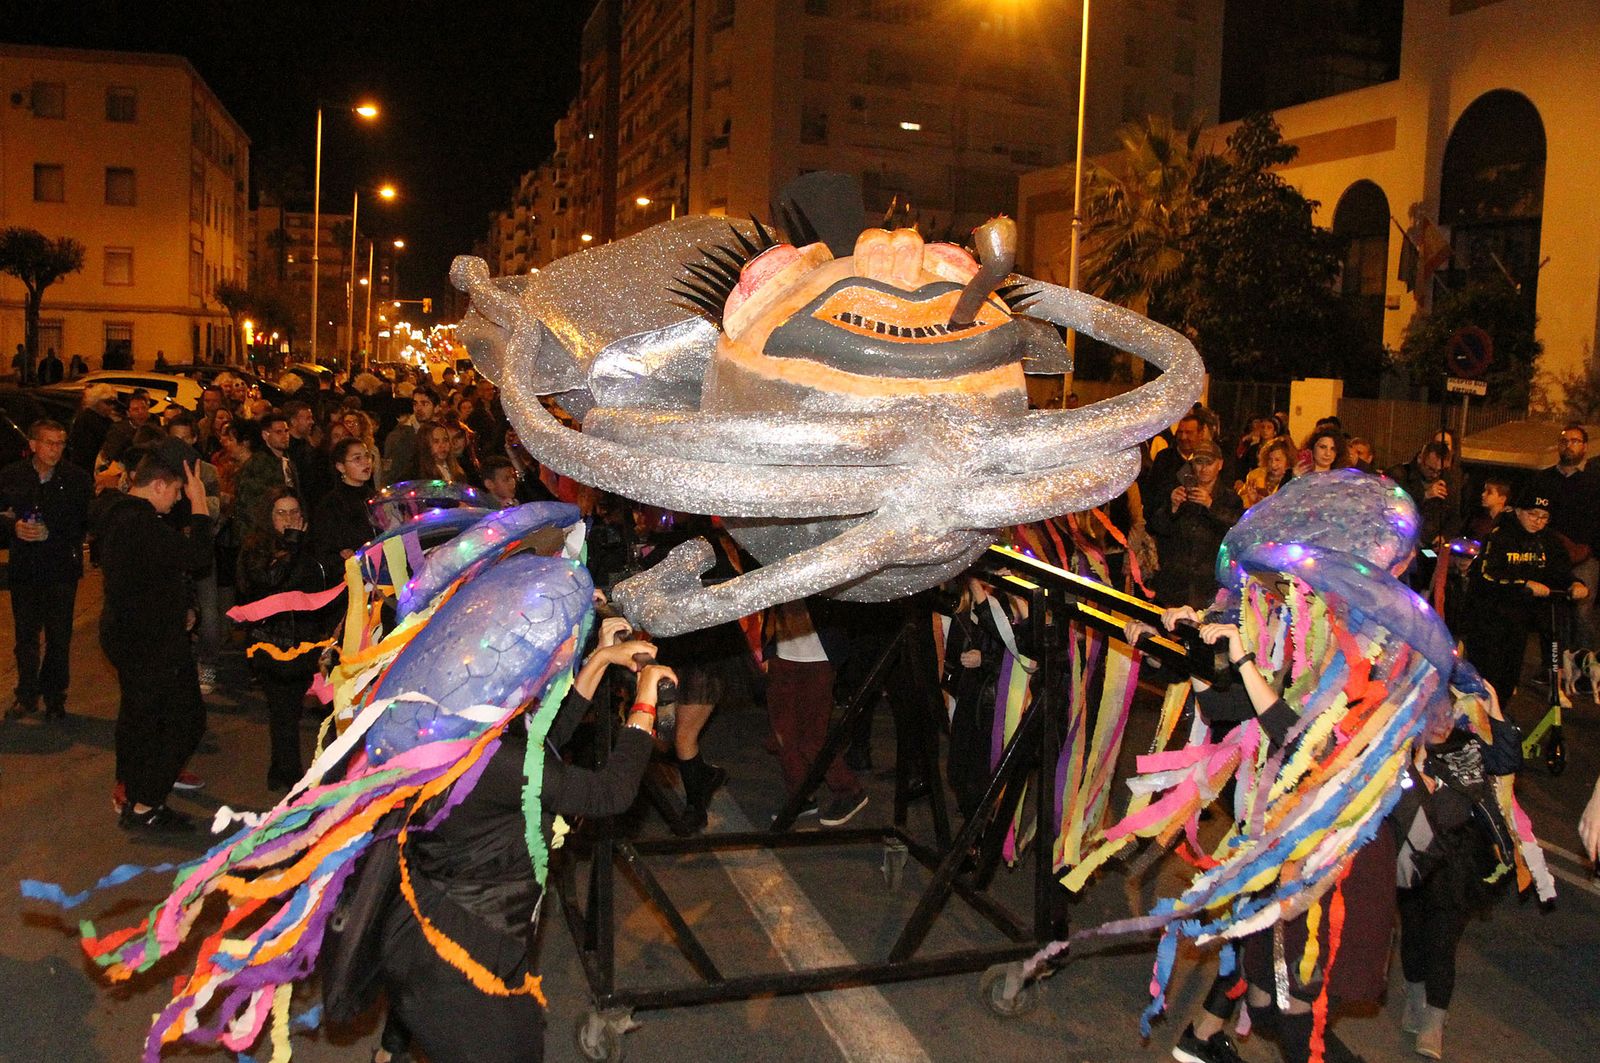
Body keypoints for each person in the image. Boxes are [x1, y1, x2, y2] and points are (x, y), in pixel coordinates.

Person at [375, 632, 674, 1063]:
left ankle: (390, 1049)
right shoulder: (494, 760)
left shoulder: (456, 730)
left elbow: (543, 744)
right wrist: (644, 705)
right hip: (463, 966)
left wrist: (600, 661)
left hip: (433, 930)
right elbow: (608, 793)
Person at [1391, 683, 1521, 1060]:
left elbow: (1508, 760)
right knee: (1413, 933)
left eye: (1448, 714)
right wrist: (1413, 775)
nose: (1442, 724)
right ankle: (1415, 996)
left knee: (1442, 941)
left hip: (1460, 861)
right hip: (1415, 856)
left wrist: (1495, 706)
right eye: (1432, 716)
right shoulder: (1405, 751)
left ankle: (1435, 1019)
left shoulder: (1470, 744)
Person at [93, 454, 213, 833]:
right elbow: (197, 557)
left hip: (131, 634)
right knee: (187, 720)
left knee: (140, 717)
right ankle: (146, 802)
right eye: (177, 490)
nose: (179, 499)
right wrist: (200, 505)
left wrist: (182, 606)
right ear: (159, 485)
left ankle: (131, 789)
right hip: (150, 642)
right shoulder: (139, 524)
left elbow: (153, 573)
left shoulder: (120, 514)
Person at [1459, 485, 1589, 706]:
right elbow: (1486, 575)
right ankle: (1477, 724)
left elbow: (1560, 571)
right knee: (1487, 676)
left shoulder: (1548, 541)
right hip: (1489, 616)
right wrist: (1523, 584)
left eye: (1544, 517)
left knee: (1508, 679)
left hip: (1519, 619)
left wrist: (1576, 583)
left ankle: (1498, 722)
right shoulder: (1498, 537)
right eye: (1532, 514)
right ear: (1518, 511)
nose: (1537, 521)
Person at [236, 489, 329, 790]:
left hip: (307, 641)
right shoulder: (257, 548)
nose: (289, 519)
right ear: (269, 516)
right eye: (281, 513)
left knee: (317, 708)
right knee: (284, 712)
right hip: (272, 643)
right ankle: (287, 777)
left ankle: (302, 772)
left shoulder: (310, 545)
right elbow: (271, 583)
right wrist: (293, 543)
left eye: (294, 512)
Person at [1, 419, 93, 719]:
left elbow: (83, 522)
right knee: (26, 635)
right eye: (49, 443)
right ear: (33, 445)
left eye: (60, 443)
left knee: (58, 635)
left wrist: (50, 531)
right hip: (24, 567)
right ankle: (26, 693)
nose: (55, 449)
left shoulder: (76, 479)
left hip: (60, 568)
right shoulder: (13, 476)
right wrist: (13, 526)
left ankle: (55, 694)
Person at [767, 598, 868, 826]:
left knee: (812, 738)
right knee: (784, 736)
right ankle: (801, 795)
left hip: (818, 656)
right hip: (782, 653)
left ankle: (849, 789)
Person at [1147, 439, 1242, 608]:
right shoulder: (1180, 492)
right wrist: (1173, 508)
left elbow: (1235, 530)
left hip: (1210, 582)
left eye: (1209, 463)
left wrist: (1211, 506)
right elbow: (1158, 527)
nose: (1203, 468)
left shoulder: (1230, 498)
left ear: (1219, 465)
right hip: (1176, 582)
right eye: (1199, 462)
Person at [1530, 424, 1600, 649]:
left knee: (1581, 612)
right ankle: (1552, 667)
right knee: (1551, 613)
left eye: (1575, 441)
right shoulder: (1544, 479)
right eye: (1565, 441)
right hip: (1550, 556)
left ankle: (1583, 665)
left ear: (1585, 446)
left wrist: (1591, 550)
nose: (1569, 445)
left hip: (1584, 557)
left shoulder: (1594, 481)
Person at [312, 438, 378, 574]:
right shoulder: (331, 504)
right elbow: (324, 549)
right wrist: (342, 556)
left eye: (367, 456)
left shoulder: (376, 497)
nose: (366, 462)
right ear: (341, 467)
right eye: (357, 459)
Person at [235, 412, 301, 540]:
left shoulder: (288, 461)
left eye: (286, 431)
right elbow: (252, 504)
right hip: (262, 534)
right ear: (265, 435)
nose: (284, 436)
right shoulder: (257, 464)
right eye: (278, 432)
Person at [1389, 442, 1460, 551]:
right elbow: (1393, 507)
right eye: (1430, 469)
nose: (1435, 475)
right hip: (1399, 543)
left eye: (1439, 471)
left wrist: (1444, 536)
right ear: (1420, 458)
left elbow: (1454, 515)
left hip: (1428, 546)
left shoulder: (1447, 481)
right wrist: (1425, 495)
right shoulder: (1400, 474)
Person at [382, 385, 439, 483]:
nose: (418, 408)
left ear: (437, 408)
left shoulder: (439, 430)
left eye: (424, 404)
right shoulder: (400, 435)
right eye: (415, 404)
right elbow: (391, 475)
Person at [67, 383, 119, 472]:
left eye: (113, 403)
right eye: (107, 403)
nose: (111, 407)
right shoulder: (85, 419)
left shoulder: (107, 421)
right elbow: (83, 450)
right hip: (86, 468)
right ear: (96, 401)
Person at [1237, 437, 1294, 509]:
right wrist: (1254, 501)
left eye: (1277, 460)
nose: (1273, 464)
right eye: (1270, 460)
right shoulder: (1255, 476)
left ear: (1288, 461)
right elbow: (1241, 505)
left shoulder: (1293, 480)